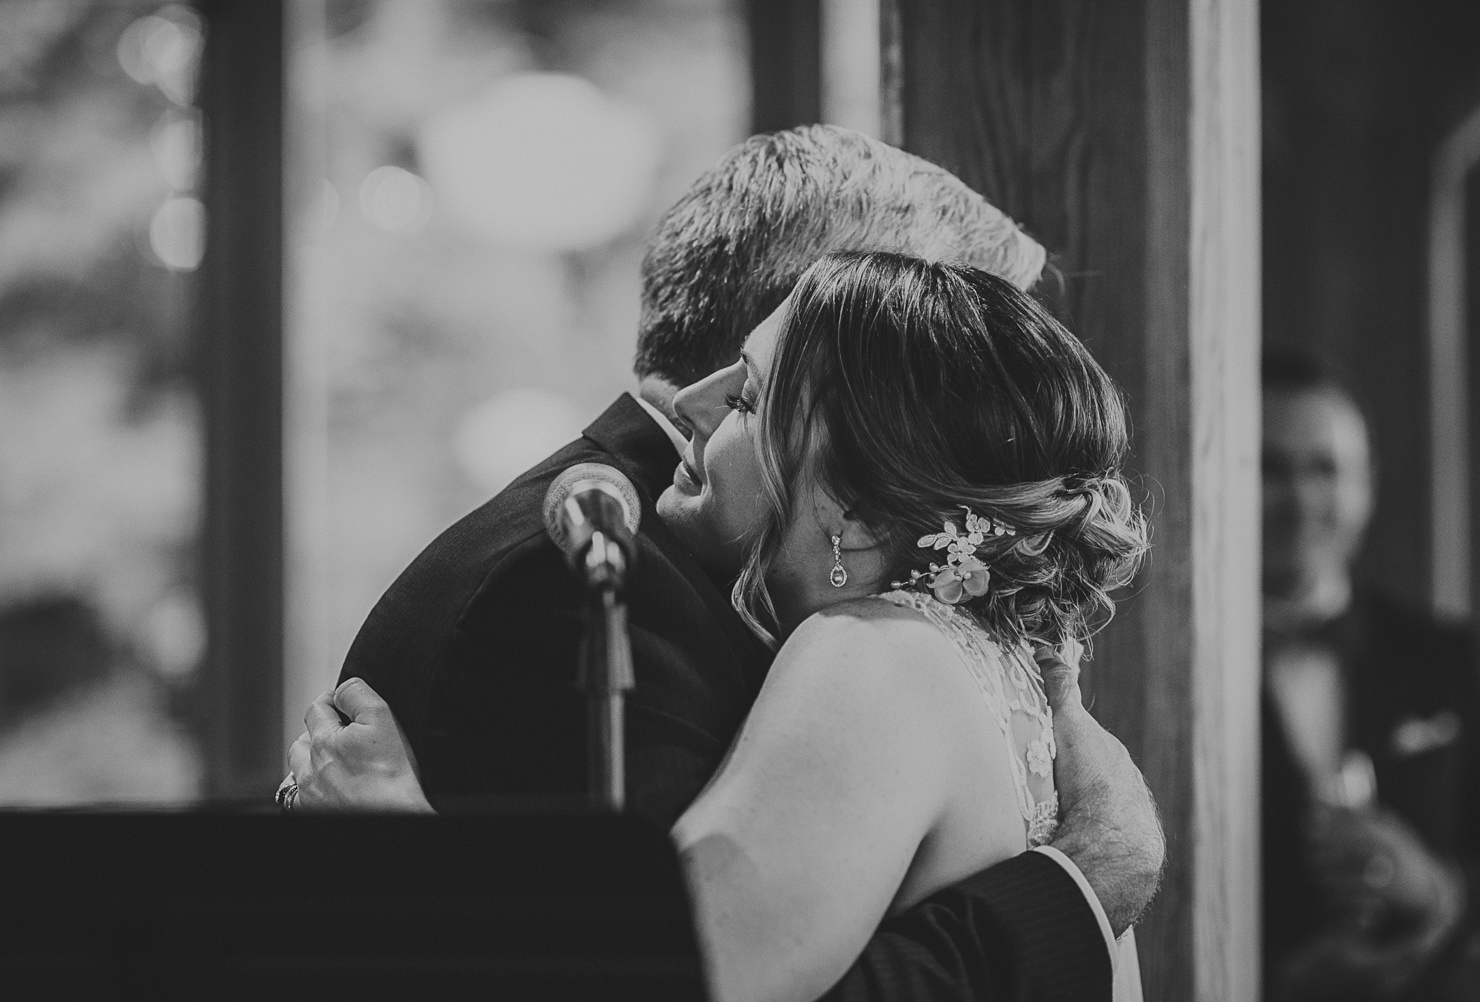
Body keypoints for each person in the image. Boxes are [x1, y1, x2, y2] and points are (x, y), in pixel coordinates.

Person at [289, 127, 1164, 1000]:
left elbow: (668, 978)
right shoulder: (577, 583)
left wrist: (414, 864)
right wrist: (1081, 885)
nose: (705, 399)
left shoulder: (866, 655)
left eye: (749, 391)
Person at [1260, 348, 1480, 1000]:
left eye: (1326, 469)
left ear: (1366, 487)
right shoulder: (1179, 681)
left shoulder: (1444, 657)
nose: (1301, 498)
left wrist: (1437, 884)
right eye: (1271, 468)